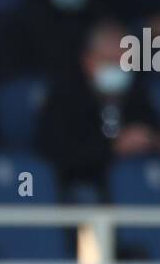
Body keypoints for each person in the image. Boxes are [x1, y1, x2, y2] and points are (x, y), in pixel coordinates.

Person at [36, 21, 160, 198]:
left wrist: (150, 140)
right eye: (110, 60)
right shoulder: (64, 98)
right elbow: (58, 154)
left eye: (126, 60)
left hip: (137, 186)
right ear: (88, 61)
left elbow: (150, 130)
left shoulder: (137, 94)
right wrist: (113, 148)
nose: (120, 67)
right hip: (85, 188)